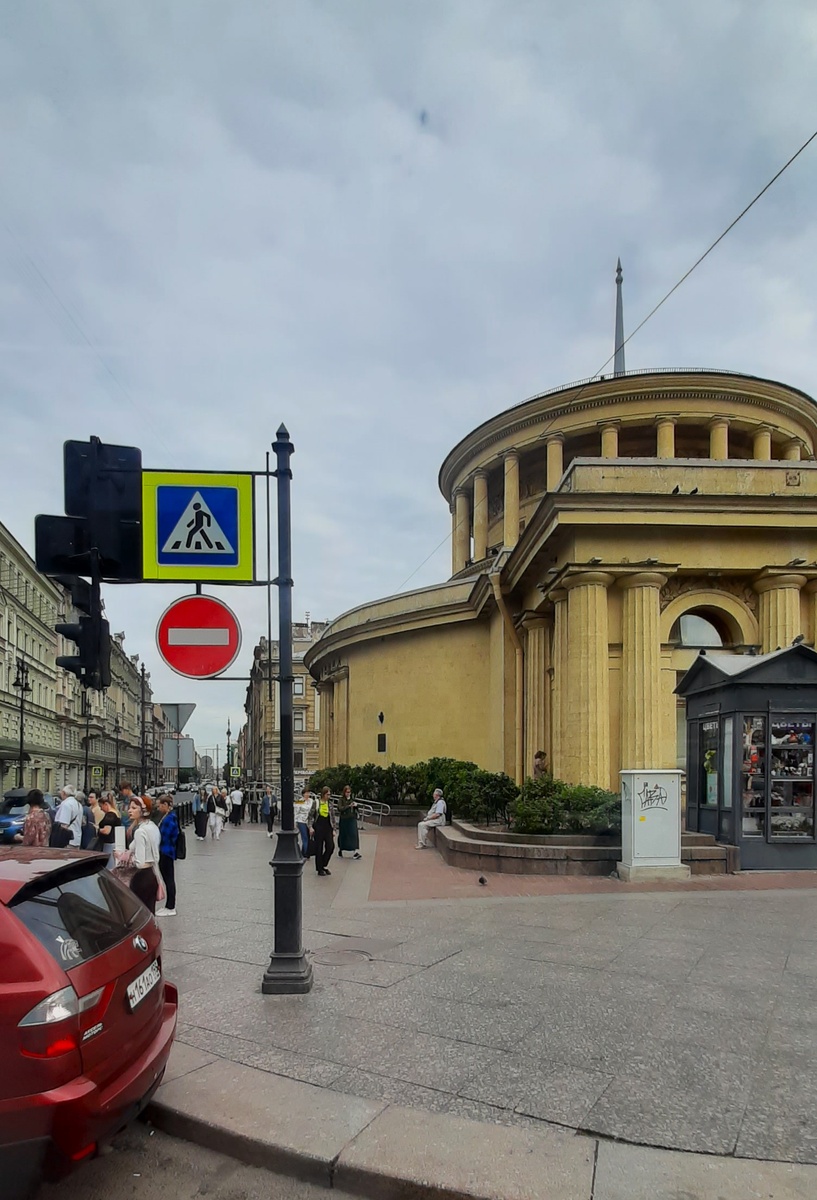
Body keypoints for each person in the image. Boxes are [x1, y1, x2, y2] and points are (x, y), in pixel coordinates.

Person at [118, 796, 162, 913]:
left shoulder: (140, 832)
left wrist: (121, 857)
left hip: (141, 878)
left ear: (143, 811)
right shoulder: (152, 827)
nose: (129, 810)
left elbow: (139, 863)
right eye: (129, 807)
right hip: (152, 875)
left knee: (138, 914)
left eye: (133, 808)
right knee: (150, 913)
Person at [156, 794, 180, 916]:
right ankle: (169, 905)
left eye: (160, 805)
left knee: (169, 879)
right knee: (168, 879)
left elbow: (165, 835)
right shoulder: (168, 816)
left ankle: (170, 906)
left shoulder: (170, 818)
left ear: (166, 805)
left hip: (166, 851)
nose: (158, 807)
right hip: (166, 851)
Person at [310, 786, 335, 877]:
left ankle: (323, 864)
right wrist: (310, 827)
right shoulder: (316, 803)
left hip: (328, 827)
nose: (329, 796)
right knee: (319, 848)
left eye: (329, 794)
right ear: (323, 794)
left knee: (330, 846)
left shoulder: (330, 804)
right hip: (319, 826)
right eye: (327, 794)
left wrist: (334, 829)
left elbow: (332, 817)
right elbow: (310, 816)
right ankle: (319, 868)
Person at [337, 785, 362, 860]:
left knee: (353, 834)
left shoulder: (352, 799)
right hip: (344, 819)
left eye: (349, 792)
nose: (348, 794)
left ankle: (355, 851)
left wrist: (356, 806)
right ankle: (341, 848)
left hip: (352, 819)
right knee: (343, 835)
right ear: (344, 792)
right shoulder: (341, 800)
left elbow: (357, 808)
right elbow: (340, 808)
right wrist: (348, 806)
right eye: (347, 792)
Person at [96, 794, 121, 864]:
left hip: (109, 843)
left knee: (109, 864)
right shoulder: (116, 813)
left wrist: (97, 829)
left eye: (101, 806)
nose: (101, 809)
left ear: (106, 804)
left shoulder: (110, 815)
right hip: (114, 842)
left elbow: (106, 831)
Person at [294, 787, 312, 856]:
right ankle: (306, 853)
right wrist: (295, 822)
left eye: (308, 793)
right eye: (306, 793)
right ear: (303, 794)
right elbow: (296, 812)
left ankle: (304, 851)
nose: (307, 795)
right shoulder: (299, 801)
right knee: (305, 837)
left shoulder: (311, 801)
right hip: (301, 821)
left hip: (309, 821)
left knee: (308, 836)